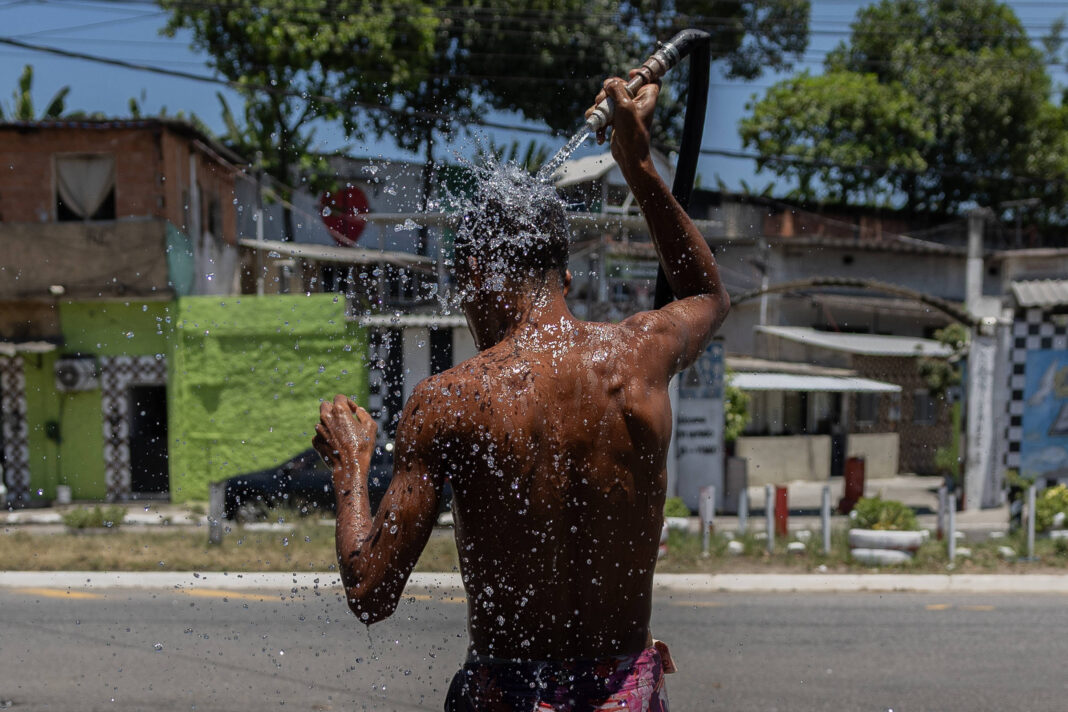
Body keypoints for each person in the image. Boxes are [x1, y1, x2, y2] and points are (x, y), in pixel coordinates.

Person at [313, 71, 730, 711]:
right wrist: (638, 163)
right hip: (625, 696)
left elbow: (371, 593)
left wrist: (350, 467)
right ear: (561, 272)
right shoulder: (637, 358)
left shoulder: (450, 400)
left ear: (475, 271)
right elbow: (707, 294)